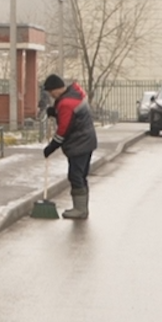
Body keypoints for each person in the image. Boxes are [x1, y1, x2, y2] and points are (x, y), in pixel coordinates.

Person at [41, 73, 97, 219]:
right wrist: (55, 112)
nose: (51, 95)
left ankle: (80, 210)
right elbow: (72, 117)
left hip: (79, 143)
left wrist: (51, 147)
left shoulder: (66, 103)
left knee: (76, 176)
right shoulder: (74, 95)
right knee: (81, 175)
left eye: (51, 92)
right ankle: (82, 208)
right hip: (86, 141)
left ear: (57, 89)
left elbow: (63, 130)